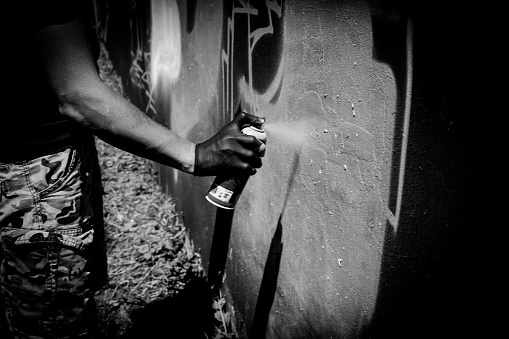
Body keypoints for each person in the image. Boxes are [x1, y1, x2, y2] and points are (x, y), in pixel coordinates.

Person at [0, 1, 264, 338]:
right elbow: (79, 95)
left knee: (41, 309)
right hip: (40, 186)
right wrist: (195, 155)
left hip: (29, 173)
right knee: (52, 325)